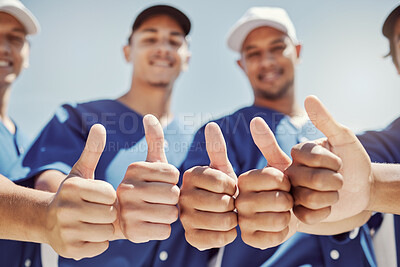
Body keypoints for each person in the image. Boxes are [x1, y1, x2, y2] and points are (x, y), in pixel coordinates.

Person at [179, 6, 375, 267]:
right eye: (254, 53)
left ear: (297, 52)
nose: (267, 61)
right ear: (242, 64)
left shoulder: (340, 136)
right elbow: (195, 212)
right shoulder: (223, 132)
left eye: (276, 48)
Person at [22, 4, 208, 267]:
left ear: (187, 57)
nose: (163, 48)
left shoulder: (197, 141)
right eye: (150, 38)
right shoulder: (79, 117)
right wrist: (107, 211)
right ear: (127, 52)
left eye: (174, 41)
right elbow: (50, 187)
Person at [285, 4, 400, 266]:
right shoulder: (383, 146)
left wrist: (375, 187)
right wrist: (295, 202)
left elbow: (368, 185)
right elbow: (350, 194)